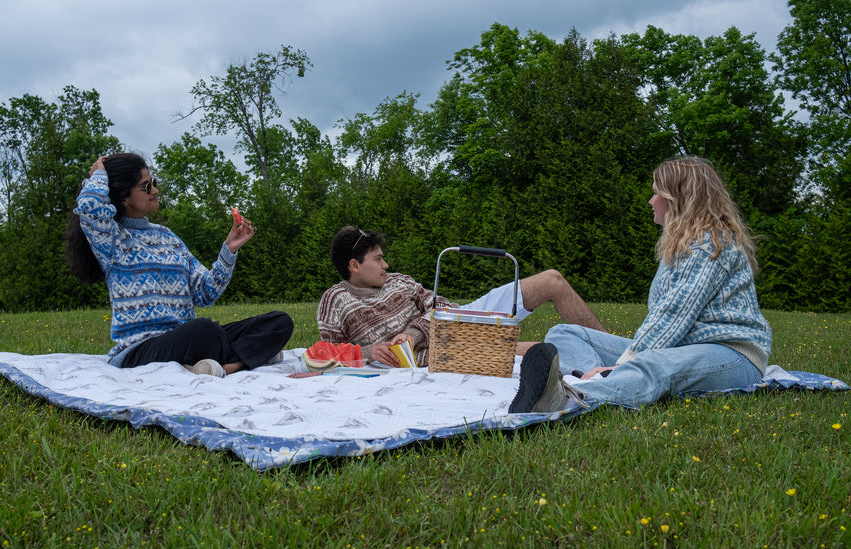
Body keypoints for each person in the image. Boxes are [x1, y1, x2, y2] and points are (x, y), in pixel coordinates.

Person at [509, 156, 772, 414]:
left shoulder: (711, 246)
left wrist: (621, 365)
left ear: (679, 200)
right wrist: (623, 363)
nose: (651, 201)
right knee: (564, 333)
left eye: (658, 194)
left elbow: (673, 315)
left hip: (732, 355)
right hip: (679, 348)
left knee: (652, 363)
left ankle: (574, 397)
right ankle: (590, 381)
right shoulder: (680, 245)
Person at [65, 153, 293, 377]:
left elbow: (206, 292)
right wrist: (99, 176)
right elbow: (89, 207)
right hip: (142, 350)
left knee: (279, 322)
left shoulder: (167, 236)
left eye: (153, 183)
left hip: (187, 338)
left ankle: (227, 367)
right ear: (123, 198)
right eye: (146, 187)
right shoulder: (112, 240)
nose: (155, 190)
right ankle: (249, 356)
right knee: (205, 331)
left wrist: (230, 249)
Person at [316, 226, 606, 367]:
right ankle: (607, 368)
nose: (386, 265)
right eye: (378, 259)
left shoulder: (398, 281)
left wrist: (413, 333)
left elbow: (440, 306)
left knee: (551, 280)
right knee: (535, 350)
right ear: (354, 265)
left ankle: (618, 350)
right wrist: (371, 352)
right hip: (438, 352)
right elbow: (327, 355)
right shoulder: (336, 300)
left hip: (455, 318)